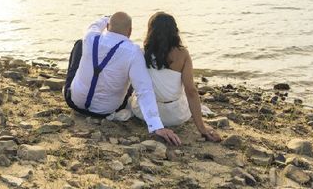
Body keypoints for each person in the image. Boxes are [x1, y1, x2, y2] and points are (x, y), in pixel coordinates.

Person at [64, 12, 182, 146]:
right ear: (130, 31)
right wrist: (156, 126)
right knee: (134, 75)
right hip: (106, 111)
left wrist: (107, 18)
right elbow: (144, 90)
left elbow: (94, 25)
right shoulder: (133, 51)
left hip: (74, 102)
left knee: (80, 44)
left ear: (108, 26)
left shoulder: (90, 36)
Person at [130, 12, 221, 142]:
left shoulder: (142, 53)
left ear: (150, 31)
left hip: (145, 114)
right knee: (183, 90)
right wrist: (202, 128)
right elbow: (191, 91)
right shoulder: (182, 54)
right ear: (175, 31)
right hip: (176, 116)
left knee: (135, 91)